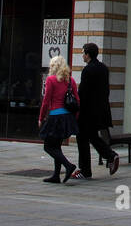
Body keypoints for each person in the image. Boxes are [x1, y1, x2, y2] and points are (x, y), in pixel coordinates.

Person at [76, 42, 119, 178]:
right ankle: (111, 156)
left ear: (88, 54)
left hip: (87, 111)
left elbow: (83, 92)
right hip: (101, 110)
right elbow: (106, 90)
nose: (82, 55)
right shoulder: (103, 68)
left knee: (82, 138)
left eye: (83, 53)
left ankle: (85, 170)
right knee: (93, 136)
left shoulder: (87, 70)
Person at [38, 55, 80, 182]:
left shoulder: (51, 80)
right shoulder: (71, 80)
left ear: (53, 67)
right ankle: (56, 175)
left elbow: (46, 101)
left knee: (48, 147)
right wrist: (74, 118)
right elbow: (77, 100)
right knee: (56, 146)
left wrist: (41, 118)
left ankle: (68, 166)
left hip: (55, 116)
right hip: (67, 117)